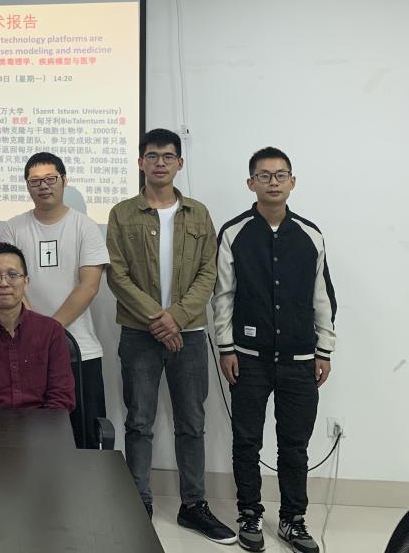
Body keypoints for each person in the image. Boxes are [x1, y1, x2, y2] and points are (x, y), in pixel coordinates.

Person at [106, 128, 235, 542]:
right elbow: (117, 274)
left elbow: (208, 273)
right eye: (151, 155)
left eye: (167, 156)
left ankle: (193, 505)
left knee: (191, 423)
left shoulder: (198, 214)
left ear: (180, 163)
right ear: (140, 162)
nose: (159, 162)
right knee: (139, 422)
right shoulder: (122, 213)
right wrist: (157, 320)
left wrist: (175, 318)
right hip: (138, 334)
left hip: (190, 335)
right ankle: (138, 500)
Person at [212, 147, 336, 553]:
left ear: (292, 182)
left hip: (300, 361)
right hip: (248, 358)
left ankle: (292, 520)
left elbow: (322, 297)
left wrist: (324, 350)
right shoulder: (234, 233)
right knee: (247, 441)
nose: (273, 182)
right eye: (264, 175)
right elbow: (223, 296)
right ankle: (249, 513)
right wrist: (226, 347)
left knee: (294, 445)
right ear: (251, 183)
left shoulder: (310, 235)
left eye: (281, 175)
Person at [0, 151, 108, 448]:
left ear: (64, 180)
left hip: (80, 350)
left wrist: (48, 331)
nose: (43, 186)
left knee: (83, 438)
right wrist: (35, 332)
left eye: (50, 179)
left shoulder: (85, 226)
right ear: (27, 186)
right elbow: (9, 283)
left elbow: (89, 286)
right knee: (31, 438)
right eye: (35, 181)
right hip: (24, 347)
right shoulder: (13, 227)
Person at [0, 242, 74, 410]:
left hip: (42, 423)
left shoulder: (51, 331)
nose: (4, 283)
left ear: (26, 282)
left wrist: (42, 426)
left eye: (12, 275)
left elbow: (61, 397)